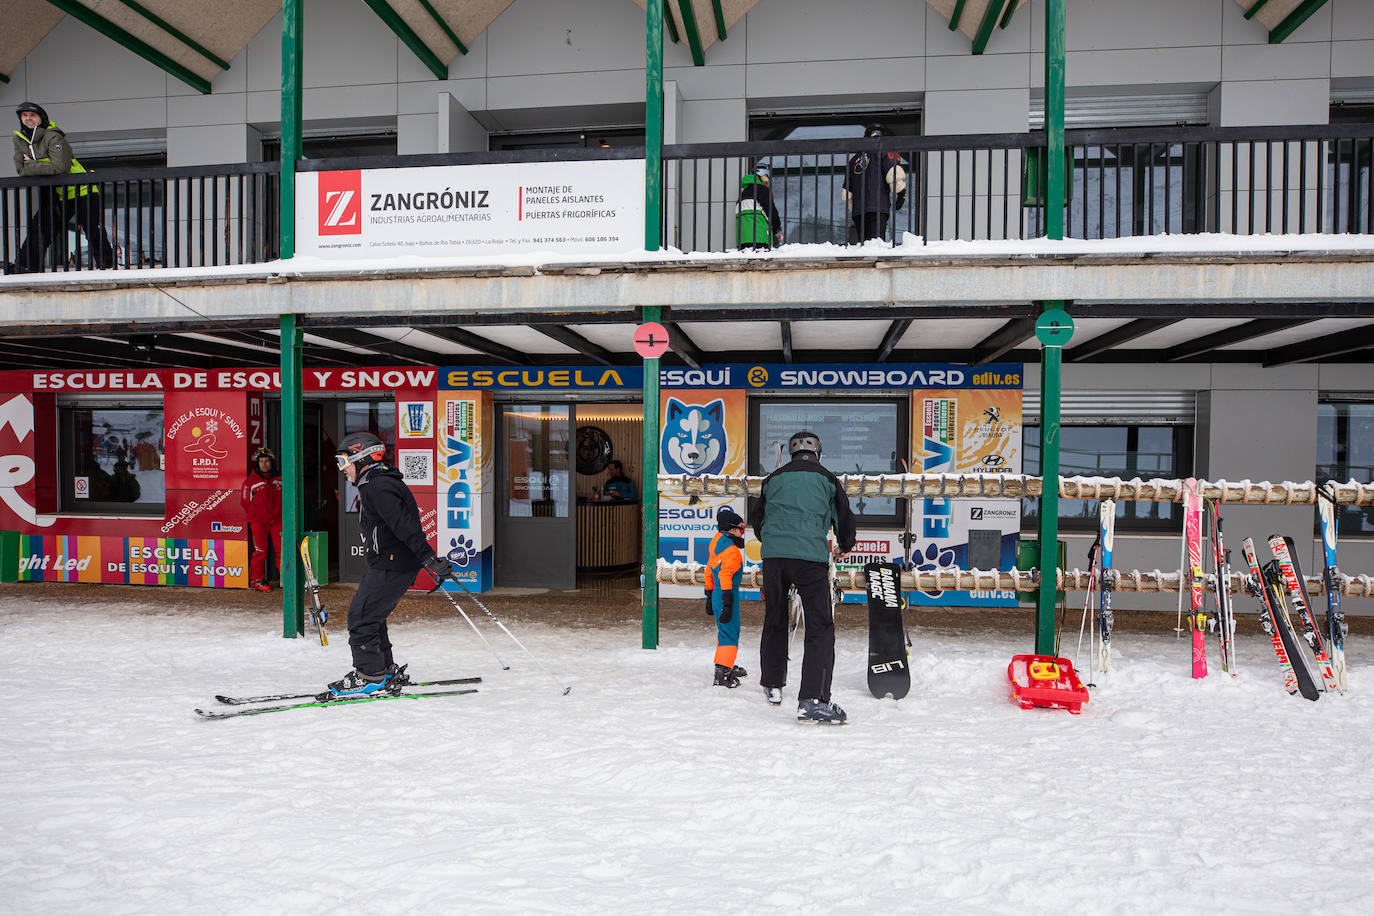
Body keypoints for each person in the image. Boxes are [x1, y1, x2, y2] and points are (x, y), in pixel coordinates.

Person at [329, 431, 453, 697]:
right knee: (372, 616)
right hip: (390, 562)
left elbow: (404, 526)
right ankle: (383, 671)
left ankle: (369, 676)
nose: (343, 470)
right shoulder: (376, 483)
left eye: (344, 462)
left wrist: (428, 558)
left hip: (392, 564)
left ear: (360, 458)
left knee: (360, 617)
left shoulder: (378, 486)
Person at [750, 430, 856, 723]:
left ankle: (772, 685)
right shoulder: (827, 479)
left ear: (792, 453)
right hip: (810, 557)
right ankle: (813, 698)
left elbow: (757, 521)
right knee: (820, 626)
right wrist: (845, 546)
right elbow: (844, 519)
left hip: (774, 558)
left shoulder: (773, 479)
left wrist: (774, 540)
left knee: (775, 618)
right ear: (818, 454)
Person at [8, 102, 116, 274]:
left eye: (32, 115)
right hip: (58, 194)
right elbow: (21, 169)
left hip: (82, 189)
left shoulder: (53, 136)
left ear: (41, 118)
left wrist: (33, 164)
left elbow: (60, 167)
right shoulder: (20, 139)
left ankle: (107, 266)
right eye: (24, 115)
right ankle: (26, 266)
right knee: (39, 228)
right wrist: (40, 165)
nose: (28, 118)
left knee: (92, 230)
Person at [705, 507, 749, 688]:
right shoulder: (732, 551)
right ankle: (722, 673)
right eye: (741, 529)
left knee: (725, 631)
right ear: (731, 530)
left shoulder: (717, 543)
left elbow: (709, 569)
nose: (742, 533)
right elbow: (724, 575)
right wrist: (728, 602)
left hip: (717, 594)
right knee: (730, 634)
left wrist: (709, 594)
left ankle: (726, 664)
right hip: (726, 595)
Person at [841, 124, 907, 245]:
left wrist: (855, 206)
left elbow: (846, 194)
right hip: (878, 206)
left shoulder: (853, 160)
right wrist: (901, 193)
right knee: (876, 244)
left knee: (864, 244)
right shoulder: (884, 152)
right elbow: (893, 174)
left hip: (858, 210)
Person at [240, 446, 282, 592]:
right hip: (259, 522)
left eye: (267, 461)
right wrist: (257, 515)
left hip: (278, 520)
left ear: (272, 462)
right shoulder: (250, 482)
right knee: (260, 551)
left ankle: (285, 579)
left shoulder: (280, 479)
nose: (264, 464)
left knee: (282, 551)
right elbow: (245, 502)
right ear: (257, 463)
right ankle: (257, 580)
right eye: (261, 461)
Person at [735, 163, 783, 251]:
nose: (768, 181)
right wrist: (776, 228)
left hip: (742, 241)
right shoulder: (762, 190)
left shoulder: (742, 194)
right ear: (763, 176)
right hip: (759, 239)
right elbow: (771, 213)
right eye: (767, 178)